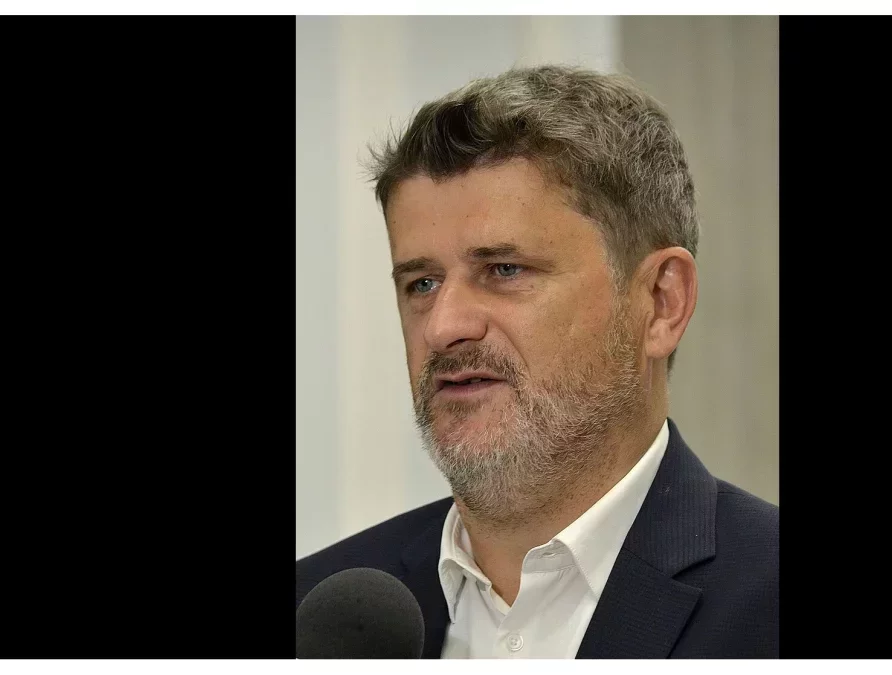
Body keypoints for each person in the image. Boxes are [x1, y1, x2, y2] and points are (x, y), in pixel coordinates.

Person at [296, 64, 778, 658]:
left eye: (504, 270)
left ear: (660, 302)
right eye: (422, 283)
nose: (443, 327)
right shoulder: (313, 620)